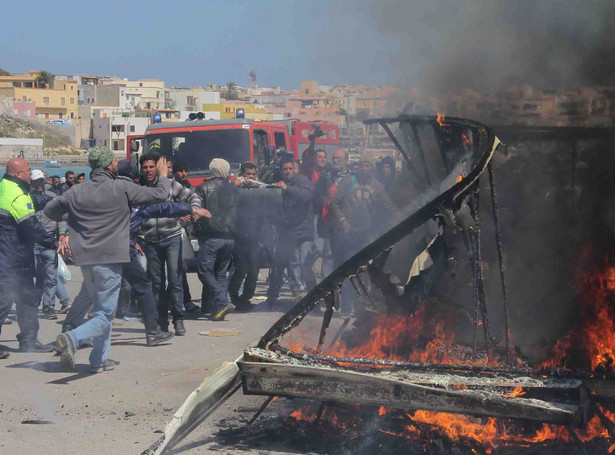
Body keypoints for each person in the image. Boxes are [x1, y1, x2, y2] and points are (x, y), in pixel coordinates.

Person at [46, 147, 172, 373]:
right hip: (110, 258)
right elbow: (159, 195)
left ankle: (99, 360)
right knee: (105, 314)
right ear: (107, 165)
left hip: (86, 260)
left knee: (104, 310)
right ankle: (72, 338)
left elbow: (50, 210)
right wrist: (163, 176)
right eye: (114, 160)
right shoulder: (120, 187)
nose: (117, 163)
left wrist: (74, 216)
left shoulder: (77, 190)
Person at [0, 158, 57, 358]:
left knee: (26, 299)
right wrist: (53, 242)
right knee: (5, 300)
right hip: (13, 257)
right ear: (18, 173)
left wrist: (55, 200)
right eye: (27, 170)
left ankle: (29, 340)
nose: (30, 173)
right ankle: (28, 340)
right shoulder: (17, 195)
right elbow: (31, 227)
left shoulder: (4, 187)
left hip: (8, 254)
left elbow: (35, 201)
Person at [139, 153, 201, 336]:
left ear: (157, 168)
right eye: (145, 167)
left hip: (172, 237)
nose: (148, 170)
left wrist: (194, 210)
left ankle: (178, 319)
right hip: (150, 240)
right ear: (141, 170)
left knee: (175, 280)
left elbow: (192, 197)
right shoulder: (139, 189)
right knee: (156, 284)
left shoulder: (171, 185)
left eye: (151, 167)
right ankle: (161, 321)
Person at [265, 155, 314, 307]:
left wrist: (288, 189)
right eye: (285, 169)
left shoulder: (301, 181)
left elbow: (308, 195)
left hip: (303, 230)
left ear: (294, 169)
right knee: (280, 264)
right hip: (287, 231)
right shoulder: (279, 183)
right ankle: (272, 298)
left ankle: (315, 298)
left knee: (305, 264)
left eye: (290, 169)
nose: (287, 171)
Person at [194, 159, 238, 321]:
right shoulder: (232, 188)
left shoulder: (203, 188)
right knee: (220, 273)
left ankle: (222, 301)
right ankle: (216, 308)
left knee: (205, 272)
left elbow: (196, 211)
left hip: (211, 236)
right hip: (229, 237)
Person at [29, 169, 70, 319]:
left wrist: (62, 235)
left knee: (51, 278)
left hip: (50, 244)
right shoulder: (27, 199)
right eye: (36, 182)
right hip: (33, 244)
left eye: (41, 181)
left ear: (44, 181)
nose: (39, 184)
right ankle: (32, 304)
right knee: (37, 278)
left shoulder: (53, 200)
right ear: (31, 183)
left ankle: (48, 307)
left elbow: (62, 219)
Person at [228, 162, 265, 312]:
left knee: (254, 271)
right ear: (242, 175)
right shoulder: (236, 189)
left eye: (253, 174)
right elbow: (223, 194)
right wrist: (235, 185)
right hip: (239, 236)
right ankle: (234, 296)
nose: (250, 177)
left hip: (256, 237)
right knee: (241, 269)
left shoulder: (260, 191)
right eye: (248, 174)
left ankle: (245, 299)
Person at [172, 160, 199, 313]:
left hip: (187, 233)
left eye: (185, 170)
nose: (183, 174)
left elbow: (196, 202)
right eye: (180, 170)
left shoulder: (190, 189)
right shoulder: (169, 188)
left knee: (181, 270)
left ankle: (185, 302)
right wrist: (178, 218)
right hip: (173, 232)